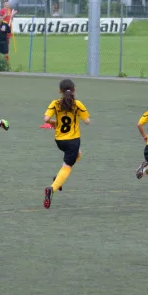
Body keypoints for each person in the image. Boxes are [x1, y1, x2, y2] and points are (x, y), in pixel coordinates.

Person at [42, 79, 91, 209]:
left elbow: (46, 119)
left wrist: (55, 122)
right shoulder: (77, 104)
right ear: (74, 90)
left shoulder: (55, 103)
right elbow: (87, 121)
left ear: (60, 91)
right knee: (67, 166)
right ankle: (52, 189)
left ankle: (58, 178)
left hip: (59, 140)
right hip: (73, 141)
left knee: (78, 154)